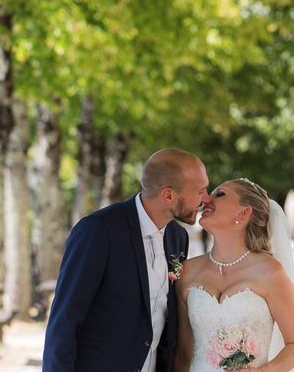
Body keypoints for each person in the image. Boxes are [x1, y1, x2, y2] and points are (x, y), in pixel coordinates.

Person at [43, 148, 210, 372]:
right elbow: (64, 321)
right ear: (168, 195)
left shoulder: (178, 238)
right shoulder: (99, 230)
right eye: (200, 191)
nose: (206, 199)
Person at [173, 178, 294, 372]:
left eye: (220, 194)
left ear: (243, 213)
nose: (206, 199)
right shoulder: (187, 271)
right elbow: (183, 351)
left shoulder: (270, 272)